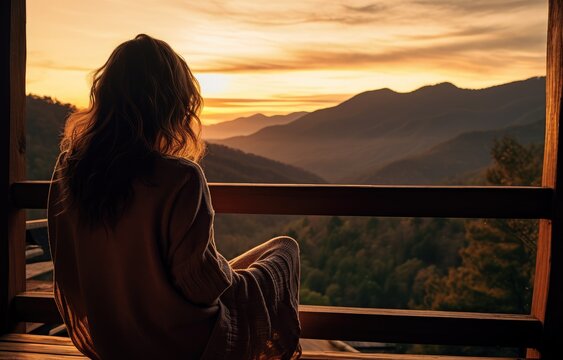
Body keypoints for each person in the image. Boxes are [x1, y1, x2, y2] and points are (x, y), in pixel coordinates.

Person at [47, 34, 301, 360]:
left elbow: (68, 265)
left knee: (248, 269)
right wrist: (239, 282)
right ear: (171, 102)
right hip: (184, 343)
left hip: (114, 341)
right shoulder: (180, 178)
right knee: (284, 250)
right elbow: (201, 289)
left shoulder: (68, 169)